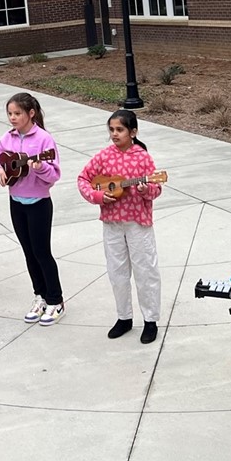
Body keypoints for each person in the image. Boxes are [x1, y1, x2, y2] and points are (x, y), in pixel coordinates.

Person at [77, 110, 162, 343]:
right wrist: (97, 196)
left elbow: (156, 188)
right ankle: (124, 317)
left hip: (137, 222)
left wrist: (147, 190)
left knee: (145, 270)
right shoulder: (104, 156)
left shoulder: (142, 157)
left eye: (120, 130)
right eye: (112, 130)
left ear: (133, 132)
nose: (115, 134)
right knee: (117, 271)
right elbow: (83, 179)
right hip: (112, 222)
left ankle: (150, 320)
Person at [0, 93, 65, 326]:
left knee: (42, 253)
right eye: (10, 114)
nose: (12, 118)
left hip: (39, 204)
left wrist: (40, 167)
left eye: (17, 113)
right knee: (28, 253)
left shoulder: (44, 140)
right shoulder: (7, 137)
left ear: (31, 113)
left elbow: (54, 175)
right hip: (16, 202)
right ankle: (40, 296)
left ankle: (56, 300)